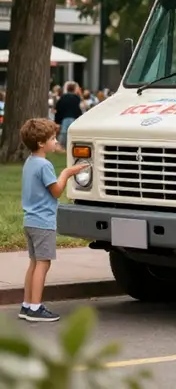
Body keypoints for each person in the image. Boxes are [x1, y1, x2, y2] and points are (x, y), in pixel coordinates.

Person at [20, 117, 86, 322]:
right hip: (43, 222)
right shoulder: (44, 165)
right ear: (41, 143)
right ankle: (36, 308)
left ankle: (26, 304)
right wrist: (66, 173)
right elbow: (56, 191)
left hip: (30, 221)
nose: (56, 141)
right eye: (52, 138)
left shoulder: (30, 162)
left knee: (34, 263)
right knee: (43, 263)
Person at [54, 81, 82, 148]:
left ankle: (61, 147)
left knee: (63, 133)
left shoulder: (63, 98)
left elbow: (58, 109)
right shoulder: (77, 98)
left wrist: (57, 120)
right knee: (73, 134)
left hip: (65, 118)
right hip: (74, 118)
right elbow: (79, 109)